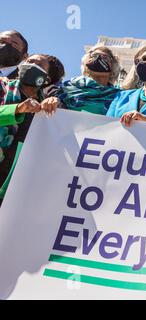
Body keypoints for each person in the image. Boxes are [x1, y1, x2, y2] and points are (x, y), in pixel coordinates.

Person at [0, 54, 58, 204]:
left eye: (38, 63)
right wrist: (17, 109)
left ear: (47, 78)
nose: (30, 64)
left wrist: (54, 107)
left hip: (13, 188)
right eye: (29, 61)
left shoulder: (46, 107)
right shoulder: (2, 86)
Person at [57, 45, 121, 114]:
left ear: (113, 67)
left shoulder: (120, 97)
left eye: (105, 58)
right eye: (94, 55)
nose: (98, 59)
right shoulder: (65, 89)